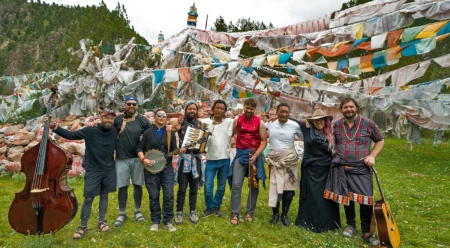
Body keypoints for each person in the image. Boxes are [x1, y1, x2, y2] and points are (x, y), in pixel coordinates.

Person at [50, 110, 118, 239]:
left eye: (111, 118)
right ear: (101, 118)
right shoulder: (90, 130)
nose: (109, 120)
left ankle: (102, 221)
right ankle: (82, 226)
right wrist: (55, 127)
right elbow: (71, 135)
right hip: (93, 170)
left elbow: (126, 117)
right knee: (88, 198)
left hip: (109, 169)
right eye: (107, 118)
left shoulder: (114, 130)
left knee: (104, 196)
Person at [327, 97, 384, 246]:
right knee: (347, 198)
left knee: (366, 199)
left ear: (357, 108)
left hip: (362, 167)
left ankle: (367, 232)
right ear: (341, 110)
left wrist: (372, 155)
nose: (348, 109)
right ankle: (350, 225)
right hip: (343, 167)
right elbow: (331, 140)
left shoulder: (368, 124)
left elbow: (380, 140)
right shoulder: (337, 125)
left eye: (351, 107)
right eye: (345, 107)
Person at [293, 109, 341, 232]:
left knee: (325, 197)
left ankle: (327, 223)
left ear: (325, 121)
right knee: (311, 196)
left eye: (321, 119)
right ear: (312, 121)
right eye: (316, 120)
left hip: (326, 170)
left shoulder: (331, 133)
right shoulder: (307, 129)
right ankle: (307, 221)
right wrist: (276, 118)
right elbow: (291, 120)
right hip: (310, 169)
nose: (319, 122)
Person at [137, 109, 178, 232]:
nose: (161, 117)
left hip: (167, 168)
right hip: (150, 168)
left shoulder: (170, 132)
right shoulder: (148, 132)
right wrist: (144, 159)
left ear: (166, 119)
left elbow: (175, 149)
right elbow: (139, 148)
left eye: (164, 115)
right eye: (159, 115)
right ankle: (155, 220)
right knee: (153, 195)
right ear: (155, 117)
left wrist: (179, 151)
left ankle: (167, 220)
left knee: (168, 194)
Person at [114, 96, 152, 227]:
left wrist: (145, 137)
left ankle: (137, 210)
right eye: (129, 104)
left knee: (137, 184)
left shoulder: (143, 120)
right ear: (125, 105)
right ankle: (122, 213)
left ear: (137, 105)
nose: (131, 106)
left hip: (137, 158)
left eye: (133, 104)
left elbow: (151, 132)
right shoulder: (118, 119)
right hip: (121, 158)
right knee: (122, 186)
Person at [229, 98, 268, 225]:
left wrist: (256, 155)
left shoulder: (260, 123)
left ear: (255, 109)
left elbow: (264, 141)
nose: (249, 110)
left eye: (252, 108)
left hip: (253, 156)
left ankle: (250, 211)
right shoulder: (237, 119)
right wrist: (235, 140)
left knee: (253, 184)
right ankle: (234, 212)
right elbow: (233, 133)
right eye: (247, 107)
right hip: (240, 156)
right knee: (236, 184)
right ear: (244, 107)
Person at [265, 103, 302, 227]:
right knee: (275, 187)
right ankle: (275, 215)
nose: (284, 114)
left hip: (290, 161)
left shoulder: (294, 125)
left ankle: (284, 215)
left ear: (289, 113)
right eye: (281, 111)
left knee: (289, 190)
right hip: (275, 161)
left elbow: (305, 137)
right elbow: (259, 129)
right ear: (277, 112)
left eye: (287, 112)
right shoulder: (270, 124)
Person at [171, 100, 205, 224]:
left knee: (194, 188)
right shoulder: (180, 123)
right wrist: (177, 148)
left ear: (196, 111)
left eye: (194, 109)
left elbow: (203, 141)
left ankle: (192, 211)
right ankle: (179, 212)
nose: (191, 111)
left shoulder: (200, 123)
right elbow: (170, 132)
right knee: (182, 188)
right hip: (184, 159)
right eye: (189, 109)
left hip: (196, 159)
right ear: (185, 110)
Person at [200, 100, 233, 218]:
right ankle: (209, 207)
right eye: (217, 108)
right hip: (210, 159)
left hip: (225, 159)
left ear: (225, 111)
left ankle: (217, 206)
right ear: (213, 109)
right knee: (208, 186)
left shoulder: (230, 122)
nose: (219, 110)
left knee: (221, 186)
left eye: (222, 109)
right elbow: (191, 123)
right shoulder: (205, 122)